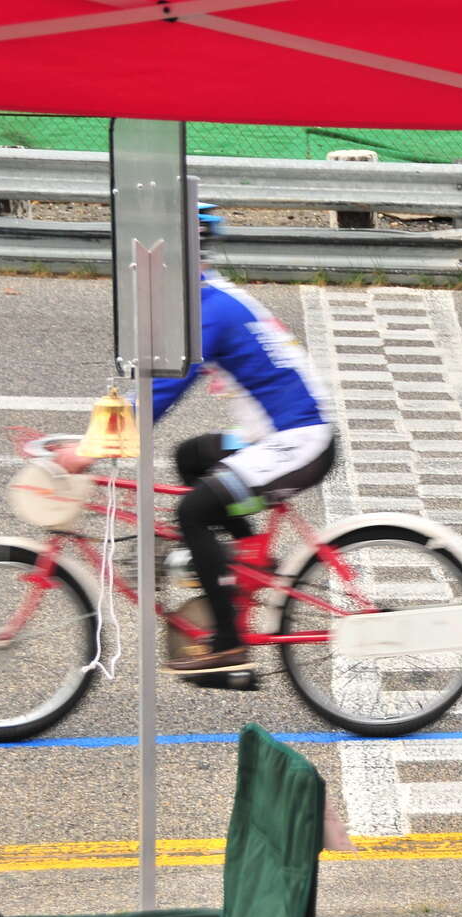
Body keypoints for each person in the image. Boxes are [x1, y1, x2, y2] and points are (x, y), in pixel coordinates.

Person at [60, 206, 337, 675]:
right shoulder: (208, 298)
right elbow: (152, 384)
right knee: (191, 457)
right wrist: (97, 435)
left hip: (299, 442)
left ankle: (228, 643)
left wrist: (89, 451)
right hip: (277, 435)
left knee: (193, 511)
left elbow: (161, 393)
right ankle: (249, 560)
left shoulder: (208, 311)